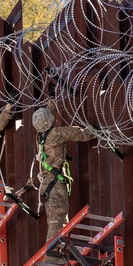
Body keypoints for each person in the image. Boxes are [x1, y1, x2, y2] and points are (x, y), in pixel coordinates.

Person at [32, 102, 99, 257]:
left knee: (57, 218)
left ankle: (57, 251)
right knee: (57, 218)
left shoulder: (40, 136)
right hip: (54, 184)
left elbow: (46, 116)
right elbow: (79, 134)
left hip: (48, 183)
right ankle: (52, 256)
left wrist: (51, 102)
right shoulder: (56, 134)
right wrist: (95, 131)